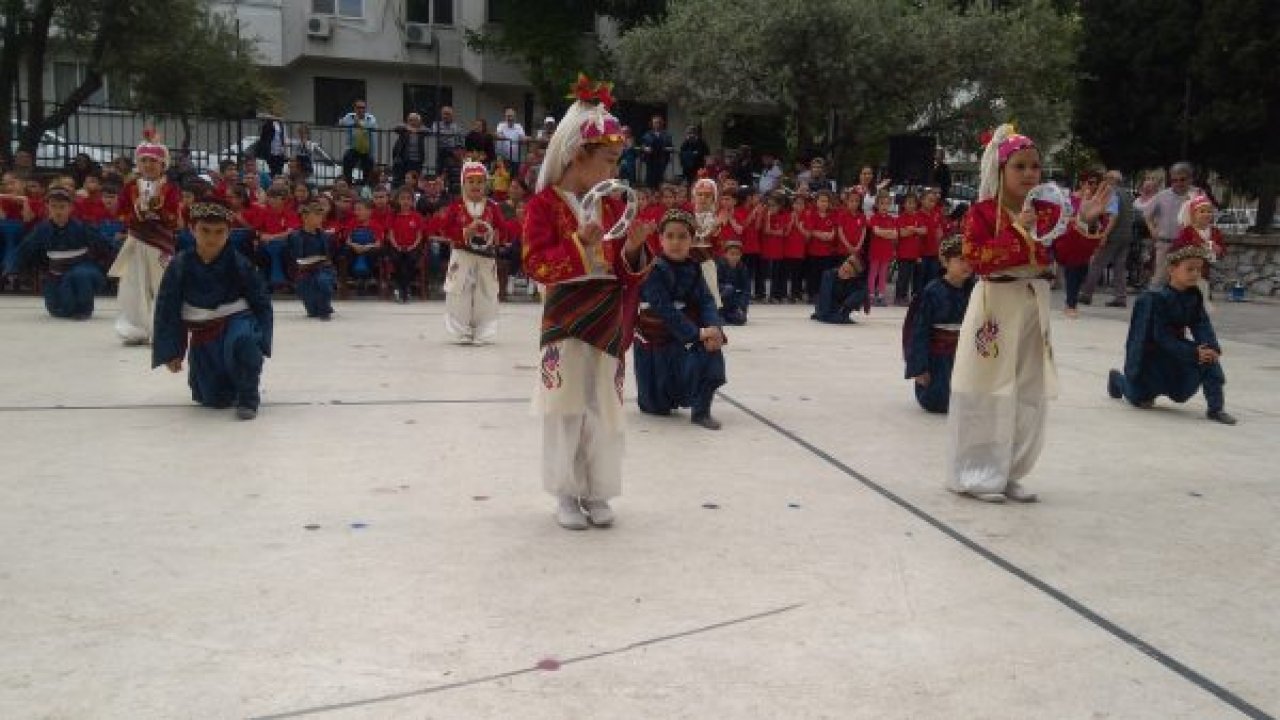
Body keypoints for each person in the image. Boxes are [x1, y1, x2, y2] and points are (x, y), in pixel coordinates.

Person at [947, 124, 1110, 503]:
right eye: (1019, 166)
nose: (1029, 174)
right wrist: (1018, 231)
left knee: (1027, 390)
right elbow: (976, 259)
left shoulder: (1048, 211)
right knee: (985, 387)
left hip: (1033, 306)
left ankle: (1009, 470)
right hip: (995, 305)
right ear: (1000, 169)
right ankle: (976, 472)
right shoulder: (982, 213)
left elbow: (1068, 254)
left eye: (1035, 166)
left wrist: (1084, 221)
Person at [521, 75, 653, 530]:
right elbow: (535, 264)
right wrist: (579, 243)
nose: (615, 171)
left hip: (606, 318)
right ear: (578, 155)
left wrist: (633, 250)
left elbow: (622, 272)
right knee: (566, 406)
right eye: (609, 161)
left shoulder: (613, 207)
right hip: (565, 318)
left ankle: (598, 492)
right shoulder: (543, 206)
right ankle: (565, 493)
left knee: (603, 409)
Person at [153, 200, 273, 421]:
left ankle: (248, 396)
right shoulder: (180, 264)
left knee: (244, 341)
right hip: (203, 330)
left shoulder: (240, 263)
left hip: (237, 319)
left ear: (229, 232)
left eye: (219, 232)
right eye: (205, 230)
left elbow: (261, 302)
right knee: (213, 398)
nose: (212, 238)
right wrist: (172, 350)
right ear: (192, 229)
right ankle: (228, 385)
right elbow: (167, 308)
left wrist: (263, 340)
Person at [1107, 237, 1236, 425]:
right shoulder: (1154, 299)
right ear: (1172, 270)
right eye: (1189, 269)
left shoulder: (1194, 297)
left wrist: (1210, 348)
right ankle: (1118, 380)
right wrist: (1193, 352)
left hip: (1177, 354)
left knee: (1208, 358)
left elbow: (1202, 325)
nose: (1195, 274)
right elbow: (1159, 337)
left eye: (1198, 269)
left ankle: (1216, 409)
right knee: (1138, 398)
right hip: (1151, 359)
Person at [634, 207, 727, 429]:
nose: (676, 242)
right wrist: (697, 333)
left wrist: (714, 328)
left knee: (711, 350)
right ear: (660, 239)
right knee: (656, 408)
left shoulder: (694, 268)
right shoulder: (653, 270)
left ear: (692, 240)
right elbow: (664, 309)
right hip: (656, 339)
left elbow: (706, 300)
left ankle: (701, 411)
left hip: (684, 335)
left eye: (683, 236)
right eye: (670, 236)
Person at [109, 131, 182, 345]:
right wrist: (136, 215)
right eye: (144, 161)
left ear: (163, 164)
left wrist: (157, 213)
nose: (148, 165)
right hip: (136, 241)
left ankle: (163, 330)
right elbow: (120, 213)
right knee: (133, 285)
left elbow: (174, 218)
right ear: (138, 164)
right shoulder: (130, 188)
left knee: (163, 285)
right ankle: (134, 328)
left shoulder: (170, 189)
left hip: (161, 245)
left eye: (153, 161)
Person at [6, 187, 106, 319]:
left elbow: (105, 248)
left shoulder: (83, 227)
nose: (58, 211)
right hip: (56, 274)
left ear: (71, 208)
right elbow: (24, 250)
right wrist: (12, 269)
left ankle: (84, 309)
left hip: (83, 271)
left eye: (62, 207)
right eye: (53, 206)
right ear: (47, 207)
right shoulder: (41, 230)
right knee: (58, 310)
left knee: (80, 276)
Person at [439, 161, 511, 343]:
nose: (475, 186)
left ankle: (483, 331)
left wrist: (497, 235)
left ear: (486, 184)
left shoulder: (492, 207)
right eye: (471, 181)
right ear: (463, 184)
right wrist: (465, 232)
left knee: (485, 294)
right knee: (459, 293)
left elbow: (503, 229)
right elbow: (445, 229)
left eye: (480, 182)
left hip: (486, 258)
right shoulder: (456, 206)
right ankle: (460, 331)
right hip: (462, 256)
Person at [903, 236, 975, 413]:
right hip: (938, 359)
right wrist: (919, 368)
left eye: (970, 260)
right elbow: (918, 332)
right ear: (945, 262)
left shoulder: (975, 291)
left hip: (965, 357)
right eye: (960, 260)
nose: (966, 265)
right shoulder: (932, 292)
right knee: (939, 401)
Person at [1079, 170, 1135, 308]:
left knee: (1097, 263)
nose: (1103, 181)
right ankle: (1120, 297)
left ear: (1111, 180)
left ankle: (1086, 294)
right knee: (1119, 267)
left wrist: (1104, 235)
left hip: (1113, 235)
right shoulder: (1127, 194)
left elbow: (1113, 217)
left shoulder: (1112, 194)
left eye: (1106, 179)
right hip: (1126, 235)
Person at [1143, 162, 1196, 289]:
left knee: (1186, 280)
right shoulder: (1162, 196)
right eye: (1174, 180)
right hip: (1165, 244)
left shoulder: (1197, 196)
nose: (1178, 183)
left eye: (1182, 179)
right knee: (1160, 279)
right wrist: (1152, 230)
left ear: (1190, 179)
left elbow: (1207, 217)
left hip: (1188, 246)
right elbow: (1147, 214)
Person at [288, 200, 336, 320]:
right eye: (317, 216)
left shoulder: (324, 236)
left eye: (321, 216)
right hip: (303, 271)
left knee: (323, 281)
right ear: (305, 217)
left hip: (322, 269)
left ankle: (324, 308)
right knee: (312, 313)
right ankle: (318, 305)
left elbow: (329, 256)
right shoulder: (295, 236)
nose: (320, 219)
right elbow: (293, 257)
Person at [1176, 194, 1226, 304]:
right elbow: (1178, 249)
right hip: (1187, 273)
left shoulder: (1215, 232)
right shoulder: (1187, 231)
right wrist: (1194, 250)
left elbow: (1222, 251)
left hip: (1204, 273)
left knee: (1202, 301)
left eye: (1209, 212)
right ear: (1193, 214)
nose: (1206, 214)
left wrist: (1218, 250)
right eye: (1202, 211)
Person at [386, 186, 425, 303]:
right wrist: (397, 246)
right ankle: (402, 288)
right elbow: (391, 234)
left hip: (413, 246)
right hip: (396, 246)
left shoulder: (417, 216)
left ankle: (404, 288)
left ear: (412, 201)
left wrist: (412, 246)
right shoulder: (393, 216)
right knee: (396, 259)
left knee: (410, 260)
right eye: (402, 198)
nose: (405, 201)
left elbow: (419, 236)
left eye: (408, 199)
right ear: (398, 200)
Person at [810, 253, 867, 325]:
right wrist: (825, 314)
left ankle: (841, 314)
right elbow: (825, 297)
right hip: (826, 307)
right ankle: (838, 316)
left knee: (862, 291)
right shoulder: (829, 275)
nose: (842, 272)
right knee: (826, 314)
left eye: (846, 272)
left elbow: (862, 290)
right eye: (842, 268)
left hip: (841, 308)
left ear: (852, 276)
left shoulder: (854, 281)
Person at [866, 190, 897, 307]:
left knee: (883, 274)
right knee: (873, 273)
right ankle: (870, 294)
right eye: (882, 203)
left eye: (887, 203)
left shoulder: (892, 219)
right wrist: (887, 232)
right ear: (877, 205)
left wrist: (884, 233)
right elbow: (876, 231)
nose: (884, 206)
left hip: (886, 251)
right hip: (875, 250)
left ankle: (881, 295)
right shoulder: (874, 218)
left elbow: (895, 234)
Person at [894, 191, 925, 305]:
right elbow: (902, 233)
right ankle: (899, 296)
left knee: (912, 277)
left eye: (913, 203)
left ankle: (907, 296)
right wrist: (915, 230)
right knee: (903, 276)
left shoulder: (918, 217)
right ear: (904, 204)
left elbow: (924, 230)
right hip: (903, 253)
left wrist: (912, 229)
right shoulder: (901, 218)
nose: (911, 205)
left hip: (915, 253)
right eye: (909, 203)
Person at [338, 100, 378, 185]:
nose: (361, 110)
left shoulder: (370, 117)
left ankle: (365, 186)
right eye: (358, 107)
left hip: (367, 149)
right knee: (347, 159)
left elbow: (371, 125)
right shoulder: (350, 116)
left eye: (363, 108)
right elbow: (341, 123)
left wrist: (358, 123)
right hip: (354, 148)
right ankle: (348, 184)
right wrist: (352, 123)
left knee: (368, 167)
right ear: (355, 109)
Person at [716, 239, 750, 325]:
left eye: (737, 254)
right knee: (729, 288)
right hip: (720, 299)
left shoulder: (742, 268)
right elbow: (714, 286)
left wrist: (742, 307)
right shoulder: (719, 266)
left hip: (734, 302)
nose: (735, 257)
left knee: (741, 319)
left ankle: (727, 316)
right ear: (725, 254)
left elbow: (746, 290)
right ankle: (719, 313)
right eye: (732, 254)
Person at [390, 113, 429, 186]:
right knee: (402, 180)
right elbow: (396, 128)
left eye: (415, 120)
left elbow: (428, 131)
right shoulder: (404, 130)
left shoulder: (421, 131)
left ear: (419, 122)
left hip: (417, 160)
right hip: (404, 159)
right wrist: (408, 128)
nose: (412, 122)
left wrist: (417, 130)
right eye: (410, 120)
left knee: (415, 180)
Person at [431, 106, 465, 185]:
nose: (446, 116)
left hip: (452, 152)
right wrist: (450, 136)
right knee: (439, 172)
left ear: (452, 115)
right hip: (440, 152)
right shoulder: (436, 125)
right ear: (441, 115)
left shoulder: (457, 127)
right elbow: (435, 135)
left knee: (452, 172)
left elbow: (460, 141)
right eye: (444, 114)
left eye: (448, 114)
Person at [640, 115, 673, 190]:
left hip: (662, 160)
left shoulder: (666, 135)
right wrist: (646, 148)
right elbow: (642, 146)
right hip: (650, 160)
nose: (657, 124)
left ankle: (659, 193)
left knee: (659, 180)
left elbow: (671, 147)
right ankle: (650, 193)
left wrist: (666, 148)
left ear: (661, 123)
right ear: (652, 124)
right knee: (650, 180)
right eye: (655, 123)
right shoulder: (647, 134)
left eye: (658, 122)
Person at [254, 112, 289, 177]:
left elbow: (284, 138)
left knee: (279, 172)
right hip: (270, 152)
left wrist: (285, 151)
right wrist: (274, 118)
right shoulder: (268, 122)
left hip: (279, 152)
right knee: (270, 171)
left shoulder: (281, 124)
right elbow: (259, 116)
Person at [495, 108, 527, 176]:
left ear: (515, 117)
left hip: (515, 158)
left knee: (514, 177)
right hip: (503, 157)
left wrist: (525, 138)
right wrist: (502, 136)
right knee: (503, 177)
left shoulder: (518, 126)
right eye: (508, 116)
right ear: (505, 117)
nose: (509, 118)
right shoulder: (501, 125)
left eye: (511, 116)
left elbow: (522, 137)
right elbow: (498, 135)